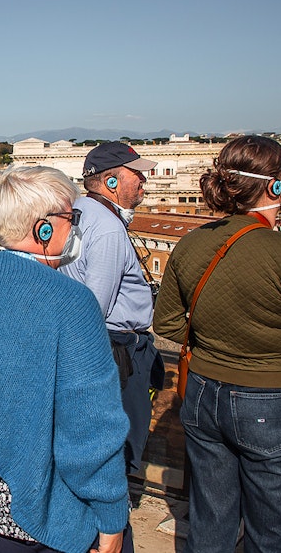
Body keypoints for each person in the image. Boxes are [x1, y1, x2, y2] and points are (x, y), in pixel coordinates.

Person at [153, 135, 281, 553]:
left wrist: (215, 341)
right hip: (272, 402)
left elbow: (166, 323)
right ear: (274, 186)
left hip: (202, 395)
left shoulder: (191, 242)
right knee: (273, 535)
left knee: (211, 521)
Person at [0, 166, 130, 553]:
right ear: (44, 228)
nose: (77, 228)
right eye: (72, 217)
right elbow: (91, 424)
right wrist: (112, 513)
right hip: (48, 499)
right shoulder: (71, 302)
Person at [62, 142, 165, 477]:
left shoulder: (76, 211)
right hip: (115, 351)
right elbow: (96, 305)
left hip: (99, 346)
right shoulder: (108, 229)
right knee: (120, 449)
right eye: (137, 175)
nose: (143, 182)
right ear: (111, 182)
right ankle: (113, 520)